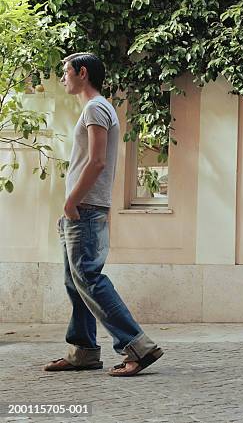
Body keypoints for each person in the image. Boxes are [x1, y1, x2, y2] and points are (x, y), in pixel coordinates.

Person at [43, 53, 163, 376]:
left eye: (66, 72)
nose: (63, 78)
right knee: (76, 281)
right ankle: (83, 350)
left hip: (86, 208)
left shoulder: (95, 108)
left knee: (89, 280)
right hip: (84, 208)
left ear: (83, 73)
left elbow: (96, 161)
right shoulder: (96, 108)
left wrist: (72, 203)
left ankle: (137, 345)